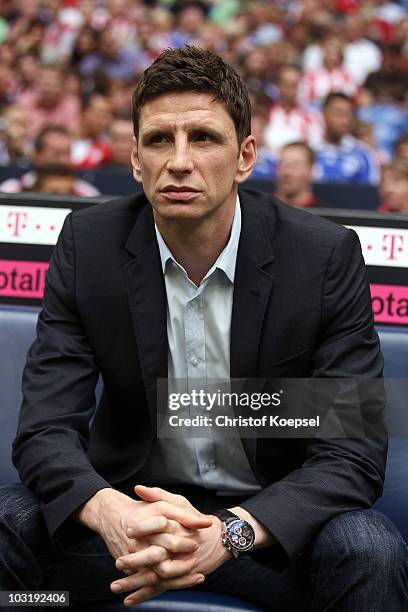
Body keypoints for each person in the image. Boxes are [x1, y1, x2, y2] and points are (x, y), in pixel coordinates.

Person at [1, 46, 407, 610]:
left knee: (369, 550)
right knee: (11, 527)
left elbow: (352, 454)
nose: (180, 161)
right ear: (136, 159)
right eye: (160, 140)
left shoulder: (320, 257)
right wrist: (109, 511)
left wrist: (228, 534)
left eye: (204, 138)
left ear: (244, 157)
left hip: (264, 537)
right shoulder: (88, 247)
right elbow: (45, 429)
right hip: (130, 534)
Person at [0, 124, 100, 197]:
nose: (63, 160)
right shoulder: (11, 191)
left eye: (67, 153)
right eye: (57, 153)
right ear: (37, 156)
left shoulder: (88, 195)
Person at [314, 92, 380, 185]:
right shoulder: (310, 150)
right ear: (324, 114)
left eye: (349, 114)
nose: (345, 121)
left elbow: (369, 192)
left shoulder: (363, 154)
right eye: (338, 113)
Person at [275, 141, 320, 208]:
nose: (287, 172)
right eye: (282, 165)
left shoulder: (326, 213)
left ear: (310, 170)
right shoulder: (261, 208)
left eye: (295, 166)